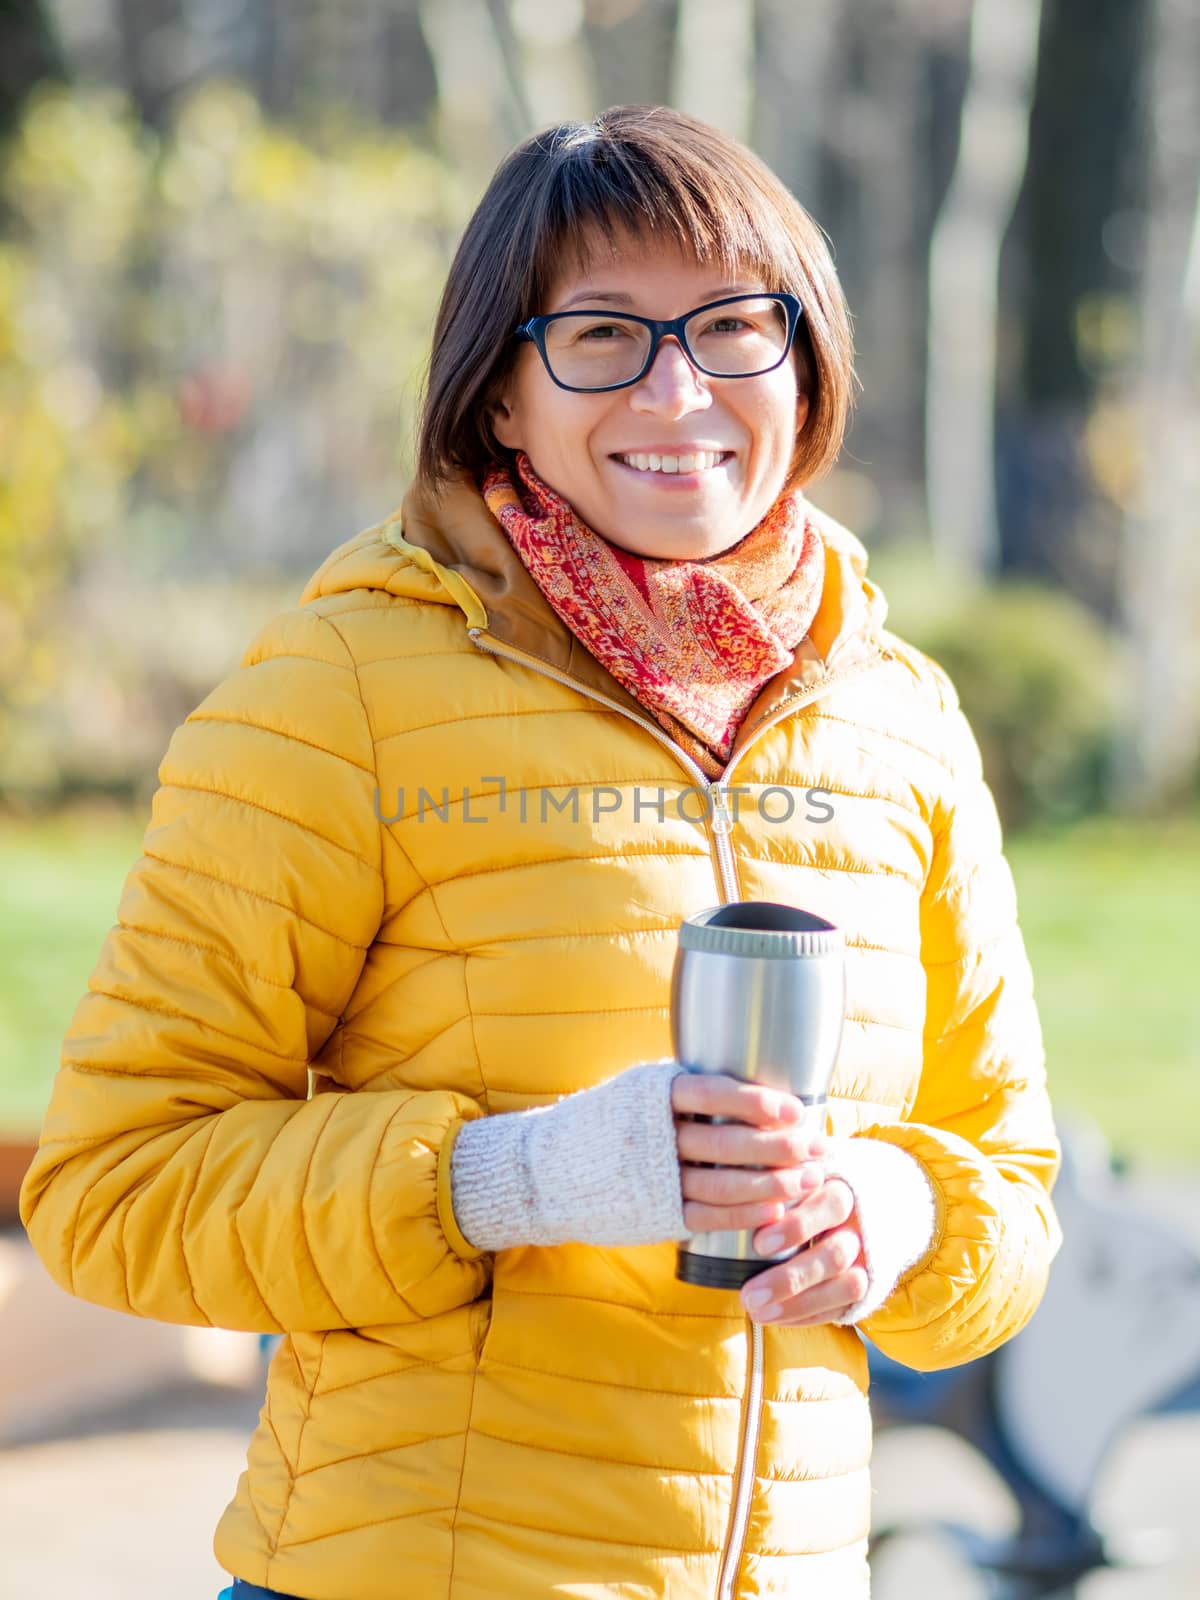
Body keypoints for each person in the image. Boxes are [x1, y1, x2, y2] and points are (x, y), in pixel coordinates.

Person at [19, 105, 1061, 1599]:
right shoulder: (343, 694)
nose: (680, 386)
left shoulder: (900, 725)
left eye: (733, 326)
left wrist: (891, 1217)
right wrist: (516, 1178)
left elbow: (1012, 1205)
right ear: (499, 394)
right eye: (603, 337)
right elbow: (114, 1193)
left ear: (807, 359)